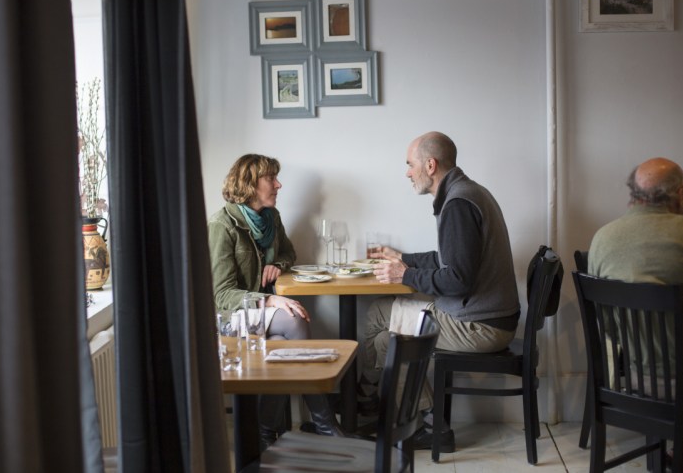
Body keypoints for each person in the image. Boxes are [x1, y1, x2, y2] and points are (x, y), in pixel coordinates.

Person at [362, 131, 521, 451]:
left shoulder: (458, 203)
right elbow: (451, 259)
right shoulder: (466, 192)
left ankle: (394, 411)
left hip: (481, 325)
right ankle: (389, 407)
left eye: (410, 165)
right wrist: (402, 258)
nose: (407, 172)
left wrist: (404, 274)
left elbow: (458, 279)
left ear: (430, 165)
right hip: (486, 315)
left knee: (388, 326)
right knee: (382, 332)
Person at [589, 157, 683, 473]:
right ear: (680, 194)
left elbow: (606, 325)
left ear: (633, 194)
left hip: (633, 380)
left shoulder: (602, 239)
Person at [207, 154, 347, 447]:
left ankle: (266, 430)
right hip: (233, 315)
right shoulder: (223, 225)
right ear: (249, 184)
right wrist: (268, 302)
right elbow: (222, 293)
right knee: (295, 321)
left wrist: (279, 265)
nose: (278, 184)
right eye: (270, 178)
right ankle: (324, 425)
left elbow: (288, 252)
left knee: (287, 342)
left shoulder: (272, 217)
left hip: (261, 312)